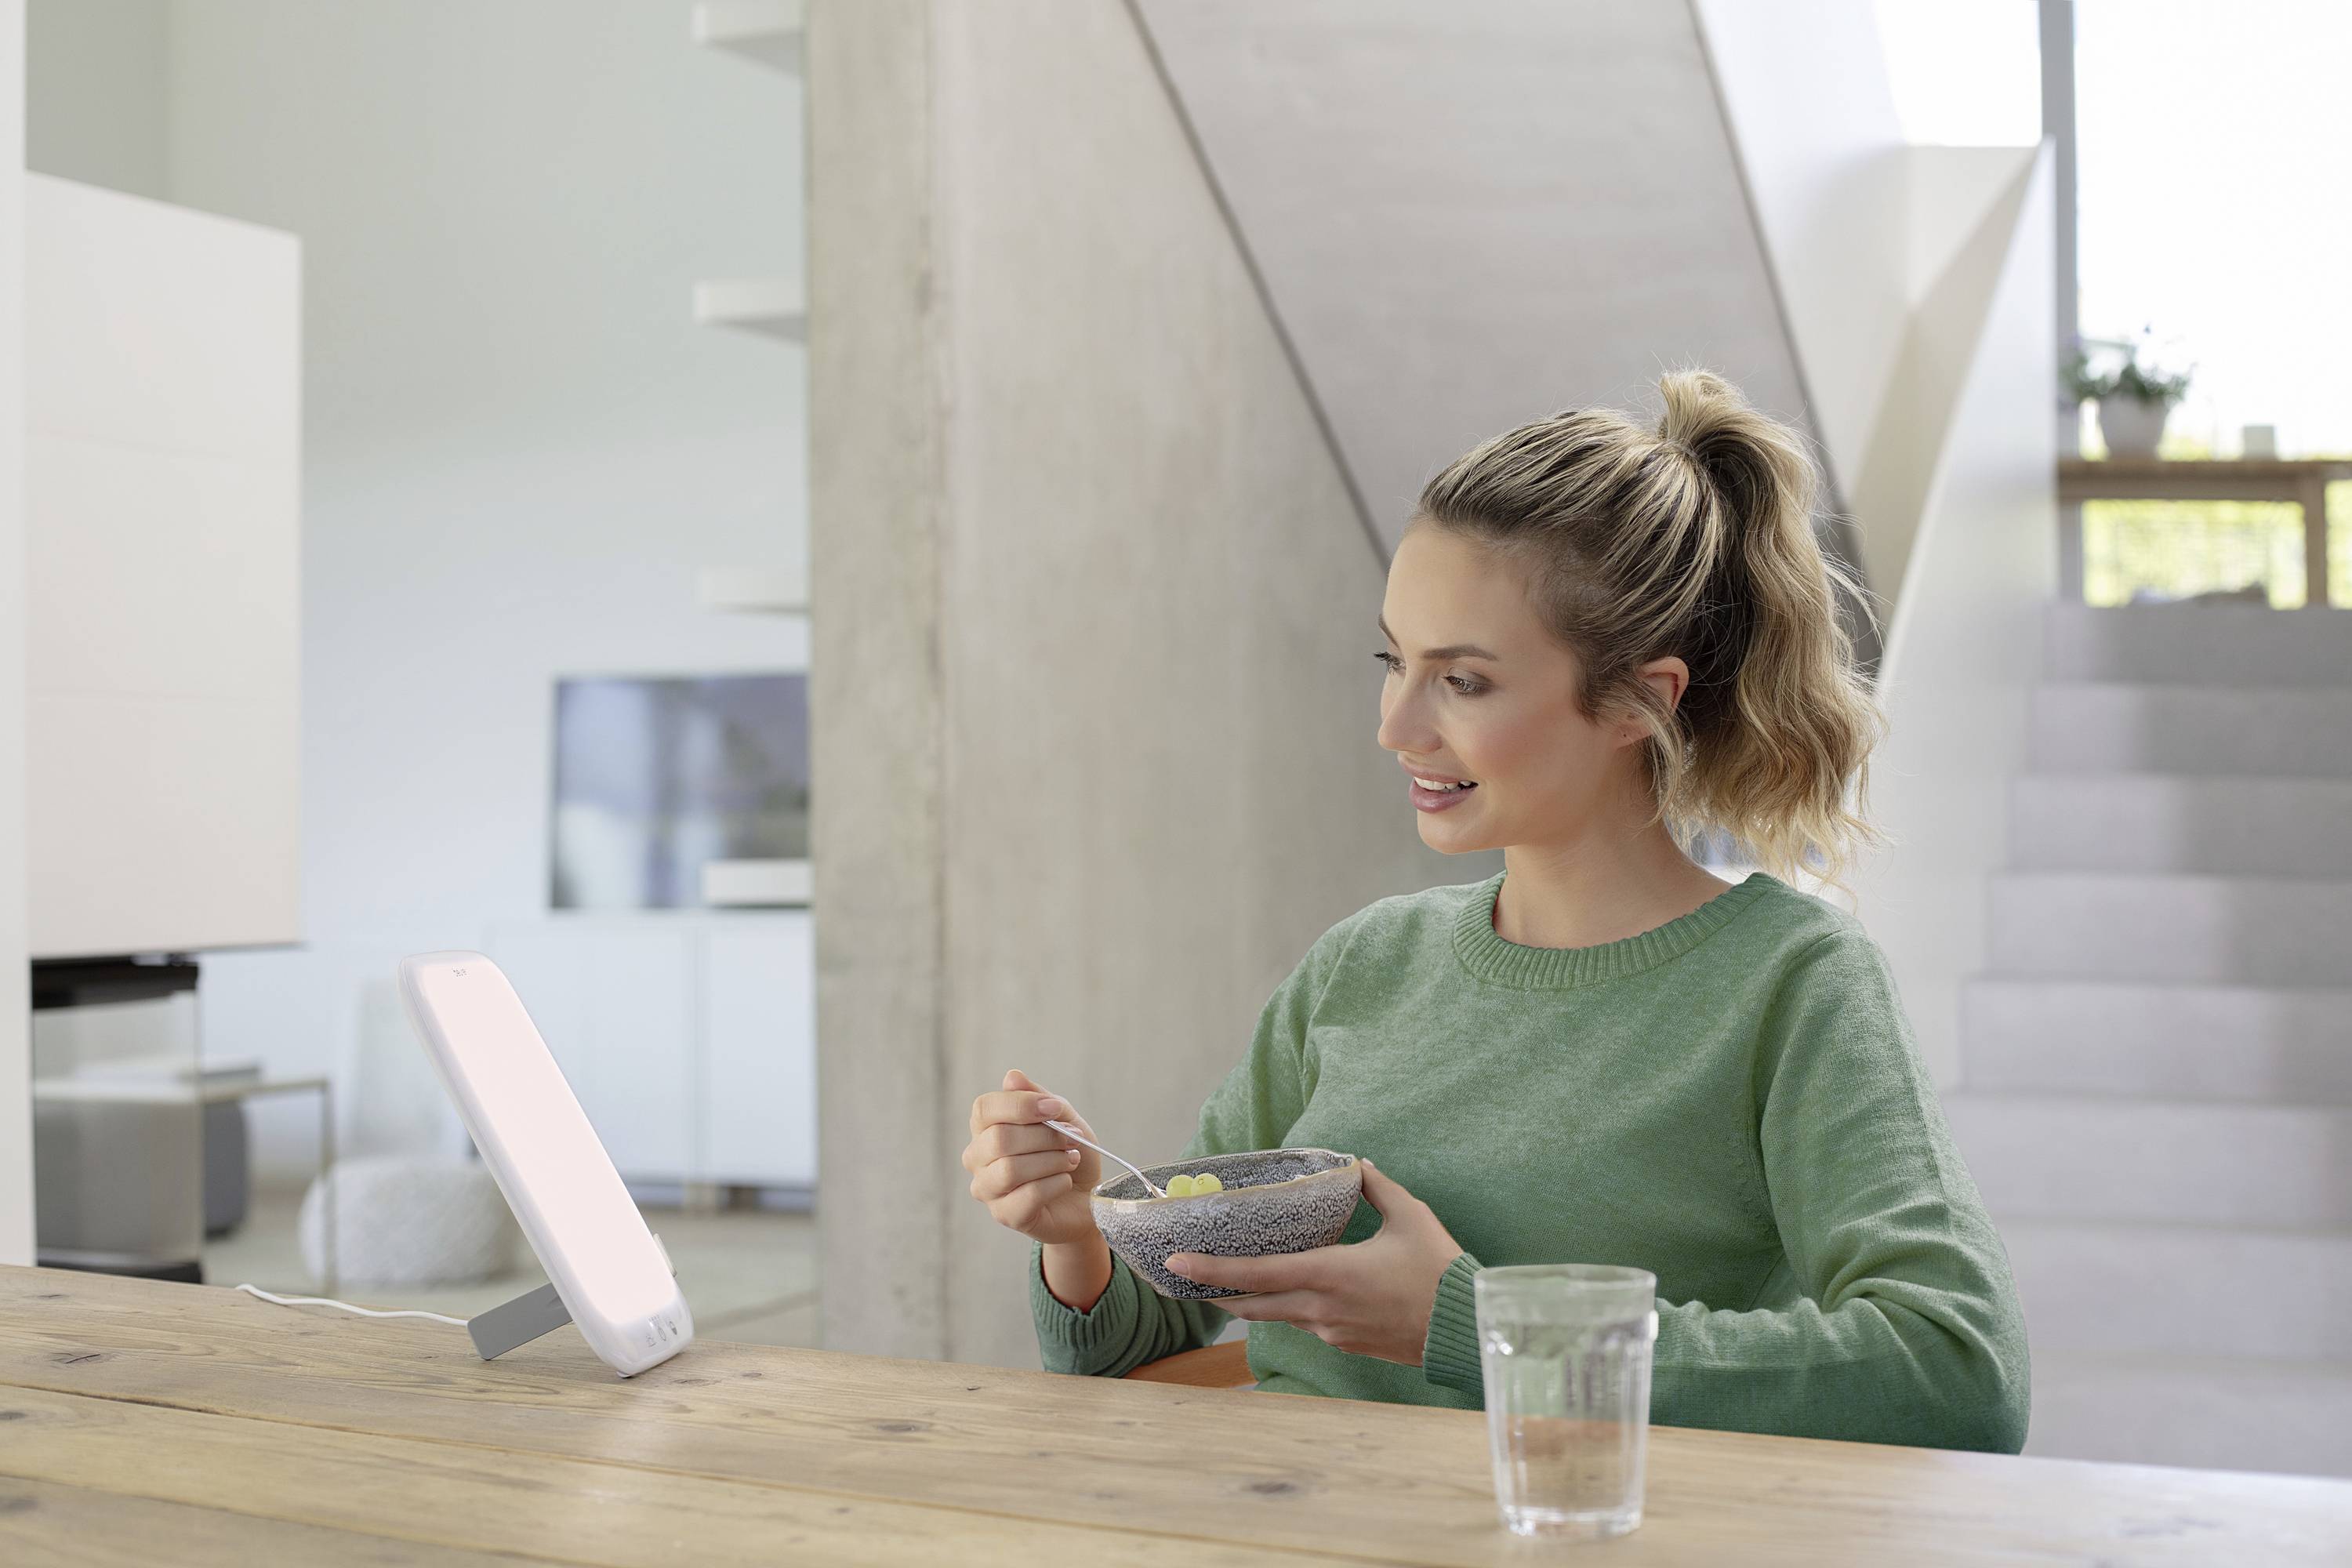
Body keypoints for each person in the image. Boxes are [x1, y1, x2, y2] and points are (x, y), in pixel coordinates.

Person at [960, 369, 2030, 1451]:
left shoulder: (1791, 986)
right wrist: (1077, 1240)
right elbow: (1141, 1342)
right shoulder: (1361, 967)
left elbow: (1956, 1374)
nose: (1397, 726)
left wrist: (1479, 1326)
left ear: (1635, 702)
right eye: (1395, 662)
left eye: (1463, 681)